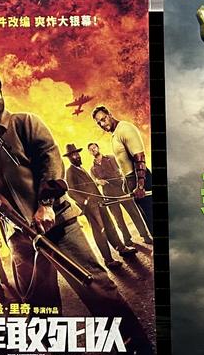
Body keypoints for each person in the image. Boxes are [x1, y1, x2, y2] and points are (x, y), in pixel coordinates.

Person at [0, 68, 154, 355]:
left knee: (98, 289)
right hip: (21, 240)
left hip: (58, 224)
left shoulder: (25, 122)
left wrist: (46, 204)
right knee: (41, 312)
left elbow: (50, 160)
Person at [63, 143, 137, 269]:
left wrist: (101, 198)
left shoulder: (81, 168)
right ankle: (108, 260)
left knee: (110, 226)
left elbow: (91, 187)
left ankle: (121, 248)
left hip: (100, 203)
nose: (76, 156)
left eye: (77, 154)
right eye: (73, 155)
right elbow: (71, 191)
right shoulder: (70, 172)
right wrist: (85, 203)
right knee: (100, 233)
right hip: (91, 208)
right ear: (69, 158)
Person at [92, 105, 154, 234]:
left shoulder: (125, 129)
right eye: (99, 123)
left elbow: (139, 158)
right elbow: (125, 163)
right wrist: (127, 182)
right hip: (133, 181)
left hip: (141, 179)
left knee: (152, 216)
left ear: (110, 114)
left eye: (103, 119)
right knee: (148, 220)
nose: (102, 124)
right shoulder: (115, 134)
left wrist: (140, 186)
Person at [88, 141, 153, 246]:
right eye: (91, 149)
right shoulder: (92, 168)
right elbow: (94, 181)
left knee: (134, 213)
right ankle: (127, 239)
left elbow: (122, 168)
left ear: (98, 148)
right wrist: (98, 181)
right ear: (89, 152)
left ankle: (145, 236)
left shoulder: (111, 158)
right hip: (108, 195)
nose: (93, 150)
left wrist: (122, 177)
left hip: (122, 190)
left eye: (94, 147)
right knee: (118, 219)